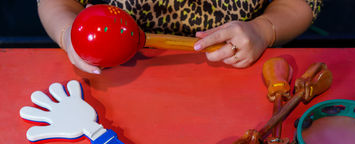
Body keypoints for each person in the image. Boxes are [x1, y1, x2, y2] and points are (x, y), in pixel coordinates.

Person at [37, 0, 322, 74]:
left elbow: (300, 3)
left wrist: (264, 29)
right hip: (122, 73)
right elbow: (57, 3)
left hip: (238, 72)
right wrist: (68, 34)